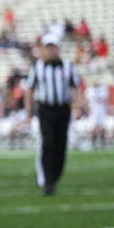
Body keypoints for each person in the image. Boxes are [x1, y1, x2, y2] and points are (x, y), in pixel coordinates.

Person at [24, 34, 83, 195]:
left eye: (53, 47)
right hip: (46, 109)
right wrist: (28, 111)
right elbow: (29, 89)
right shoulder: (37, 67)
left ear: (58, 48)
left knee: (61, 145)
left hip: (63, 109)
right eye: (48, 47)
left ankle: (55, 177)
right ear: (44, 49)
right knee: (48, 143)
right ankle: (48, 181)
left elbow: (77, 86)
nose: (51, 50)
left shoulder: (67, 66)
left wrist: (78, 105)